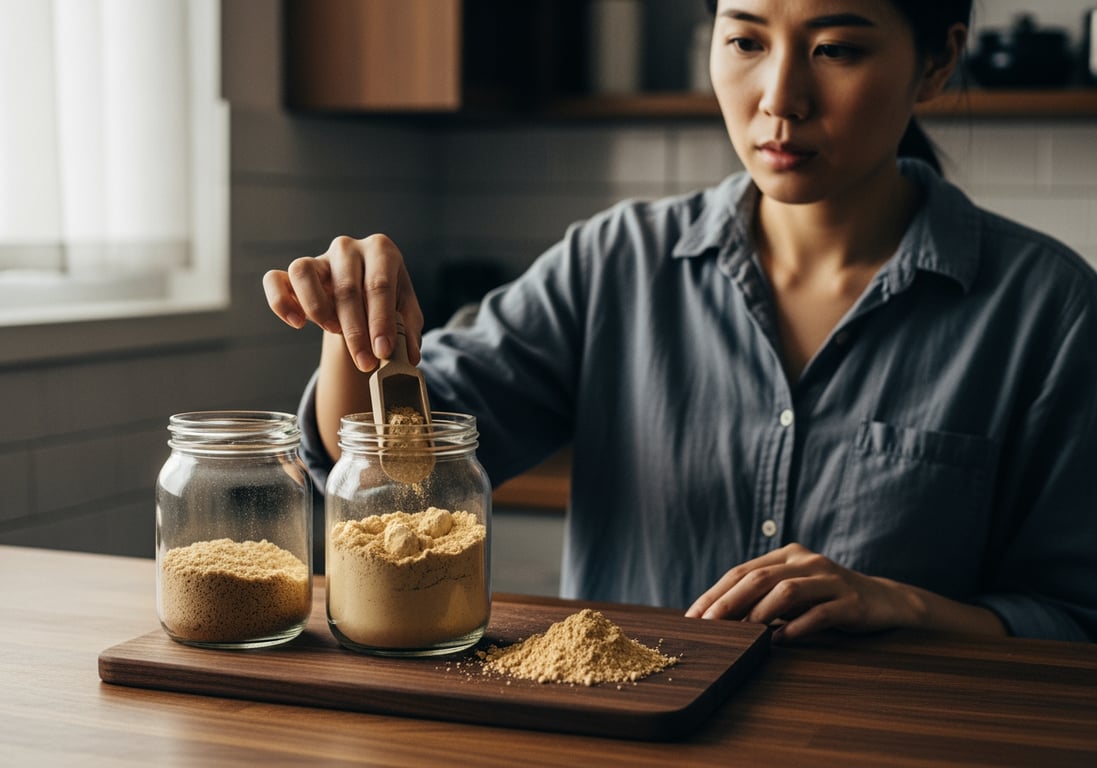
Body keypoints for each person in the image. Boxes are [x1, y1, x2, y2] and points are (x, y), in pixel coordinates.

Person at [263, 0, 1097, 643]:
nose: (780, 97)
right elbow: (385, 466)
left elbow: (1073, 619)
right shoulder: (612, 261)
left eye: (835, 49)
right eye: (744, 41)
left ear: (936, 61)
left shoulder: (1048, 310)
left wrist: (901, 605)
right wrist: (355, 331)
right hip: (629, 736)